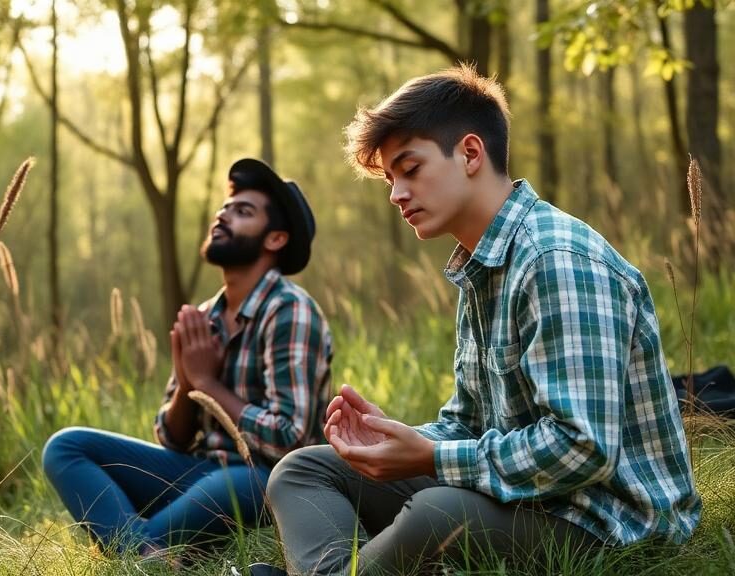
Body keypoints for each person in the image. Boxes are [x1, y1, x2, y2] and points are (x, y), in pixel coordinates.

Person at [259, 66, 700, 576]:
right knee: (303, 470)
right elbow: (467, 422)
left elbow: (583, 448)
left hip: (609, 523)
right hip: (523, 500)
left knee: (434, 515)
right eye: (390, 178)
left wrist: (429, 459)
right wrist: (397, 438)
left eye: (410, 168)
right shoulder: (480, 268)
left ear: (470, 153)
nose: (396, 194)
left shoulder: (556, 259)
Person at [43, 159, 333, 559]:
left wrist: (209, 385)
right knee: (66, 447)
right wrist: (187, 385)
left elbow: (291, 440)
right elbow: (171, 438)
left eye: (243, 211)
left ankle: (138, 552)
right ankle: (149, 553)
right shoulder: (205, 317)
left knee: (232, 482)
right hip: (197, 474)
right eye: (225, 208)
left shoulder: (290, 310)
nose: (223, 215)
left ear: (276, 239)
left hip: (267, 483)